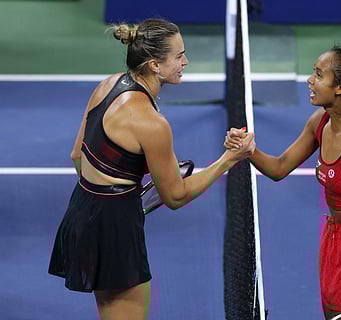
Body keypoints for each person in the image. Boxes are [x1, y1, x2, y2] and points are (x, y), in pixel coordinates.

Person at [48, 18, 255, 320]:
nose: (185, 61)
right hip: (113, 225)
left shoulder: (109, 84)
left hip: (83, 208)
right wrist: (229, 159)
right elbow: (175, 196)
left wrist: (104, 196)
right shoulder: (152, 123)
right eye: (179, 56)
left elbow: (77, 155)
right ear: (155, 65)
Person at [224, 45, 341, 319]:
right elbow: (279, 168)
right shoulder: (320, 122)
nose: (310, 80)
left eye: (319, 75)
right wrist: (248, 150)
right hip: (334, 237)